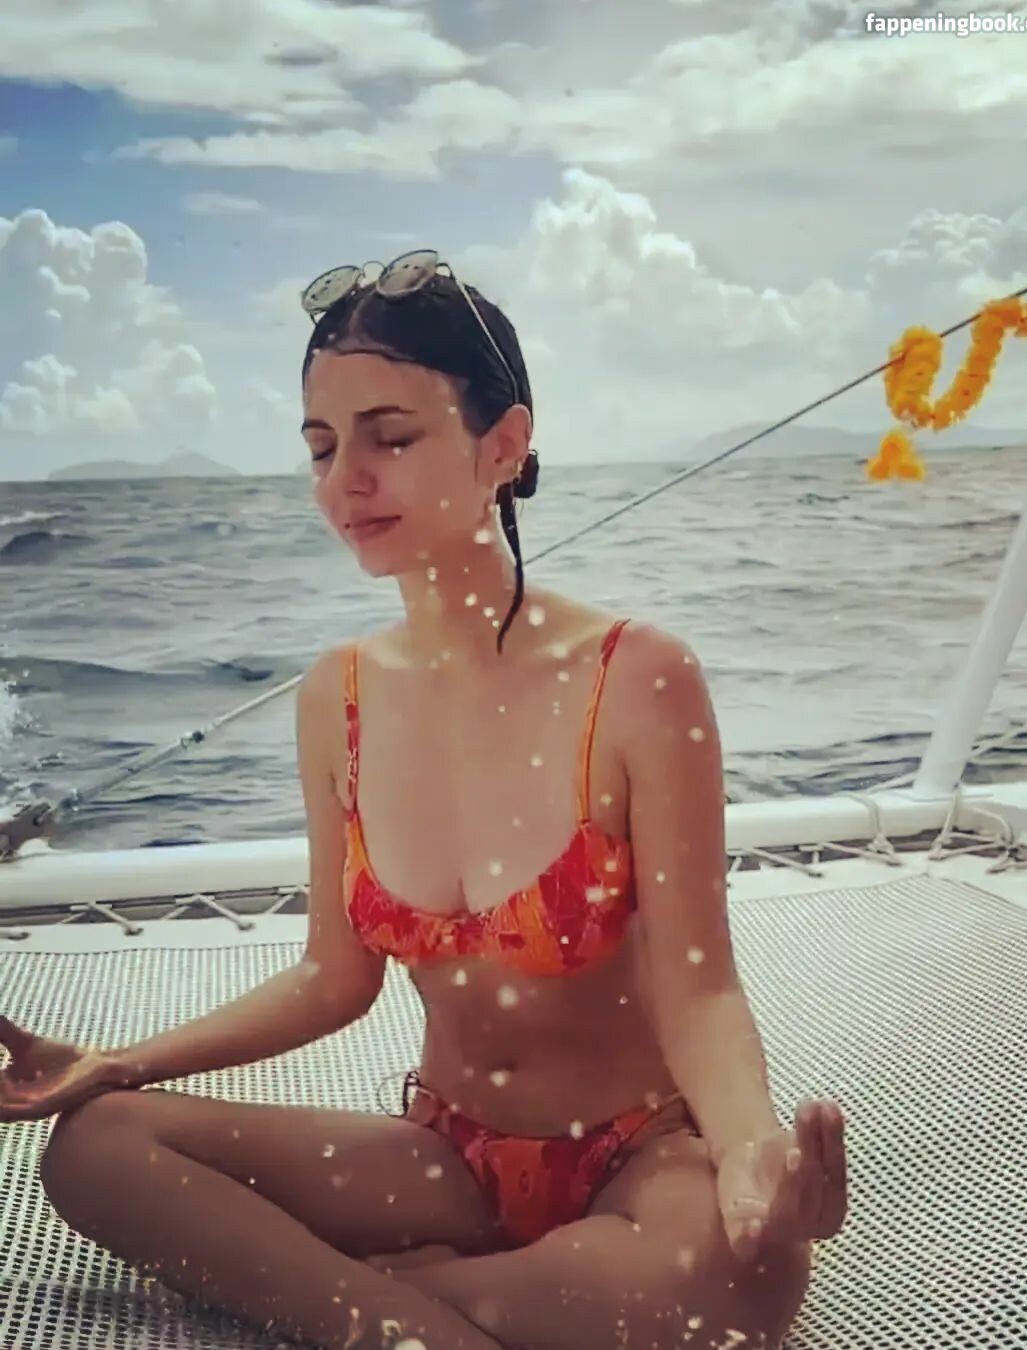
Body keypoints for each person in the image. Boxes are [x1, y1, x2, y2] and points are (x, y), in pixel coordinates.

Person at [0, 252, 848, 1350]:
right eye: (322, 447)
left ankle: (378, 1311)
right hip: (446, 1159)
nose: (345, 480)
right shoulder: (338, 696)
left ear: (504, 445)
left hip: (637, 1157)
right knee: (98, 1145)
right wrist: (121, 1062)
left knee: (741, 1272)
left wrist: (747, 1155)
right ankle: (437, 1315)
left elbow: (702, 991)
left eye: (390, 438)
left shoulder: (639, 678)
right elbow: (333, 978)